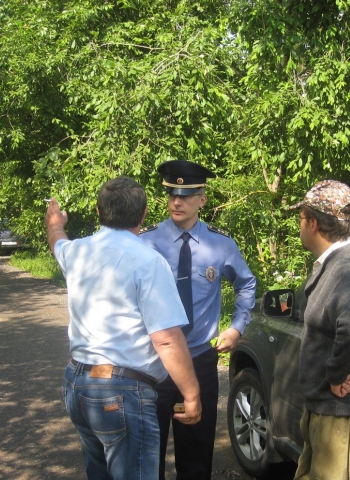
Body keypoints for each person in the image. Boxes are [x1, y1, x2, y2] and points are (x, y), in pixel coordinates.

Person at [44, 176, 201, 480]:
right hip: (122, 393)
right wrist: (192, 394)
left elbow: (56, 242)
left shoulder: (77, 252)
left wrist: (55, 220)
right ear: (143, 214)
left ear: (98, 210)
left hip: (78, 384)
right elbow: (166, 339)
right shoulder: (148, 262)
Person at [140, 160, 256, 480]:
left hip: (199, 360)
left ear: (201, 200)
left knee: (196, 457)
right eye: (172, 194)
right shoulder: (145, 242)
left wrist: (236, 326)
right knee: (147, 457)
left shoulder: (221, 244)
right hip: (152, 361)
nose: (177, 201)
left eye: (187, 195)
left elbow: (246, 284)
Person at [286, 180, 350, 480]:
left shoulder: (348, 269)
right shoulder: (339, 261)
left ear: (313, 223)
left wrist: (336, 376)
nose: (299, 225)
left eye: (301, 218)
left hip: (344, 416)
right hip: (329, 412)